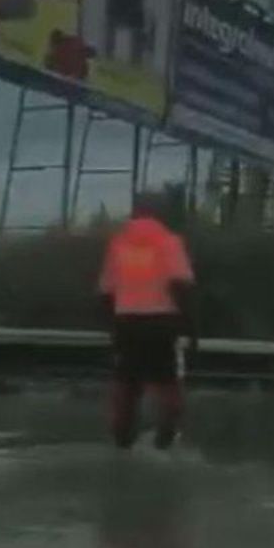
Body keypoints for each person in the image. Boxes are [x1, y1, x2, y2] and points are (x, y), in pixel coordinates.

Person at [98, 193, 197, 450]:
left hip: (126, 322)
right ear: (158, 212)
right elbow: (179, 283)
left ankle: (122, 441)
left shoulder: (118, 244)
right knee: (168, 383)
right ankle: (165, 441)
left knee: (126, 384)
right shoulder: (169, 241)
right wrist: (190, 326)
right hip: (161, 322)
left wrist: (113, 327)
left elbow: (107, 291)